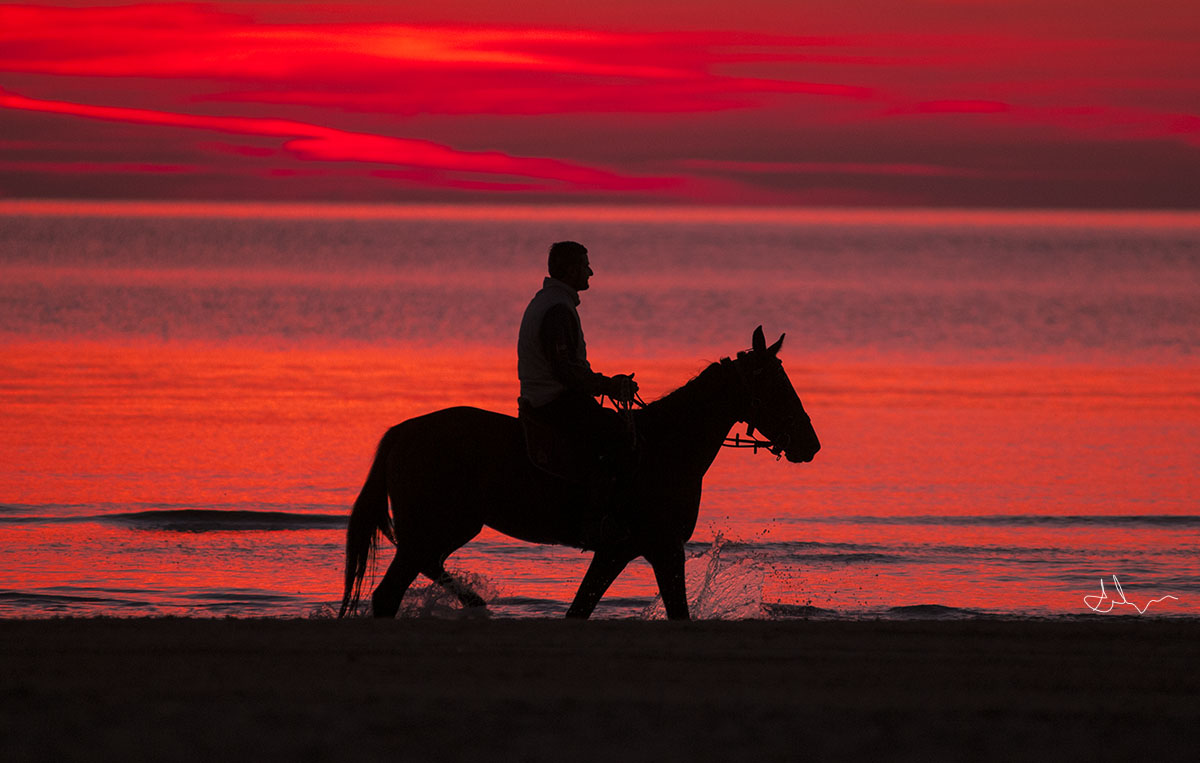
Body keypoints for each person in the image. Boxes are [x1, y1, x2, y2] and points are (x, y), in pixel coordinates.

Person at [517, 241, 638, 542]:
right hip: (554, 401)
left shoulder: (549, 301)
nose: (591, 272)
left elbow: (568, 367)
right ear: (571, 270)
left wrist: (603, 383)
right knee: (619, 433)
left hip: (546, 395)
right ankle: (598, 520)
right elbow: (565, 371)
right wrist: (608, 385)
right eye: (586, 266)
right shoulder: (558, 309)